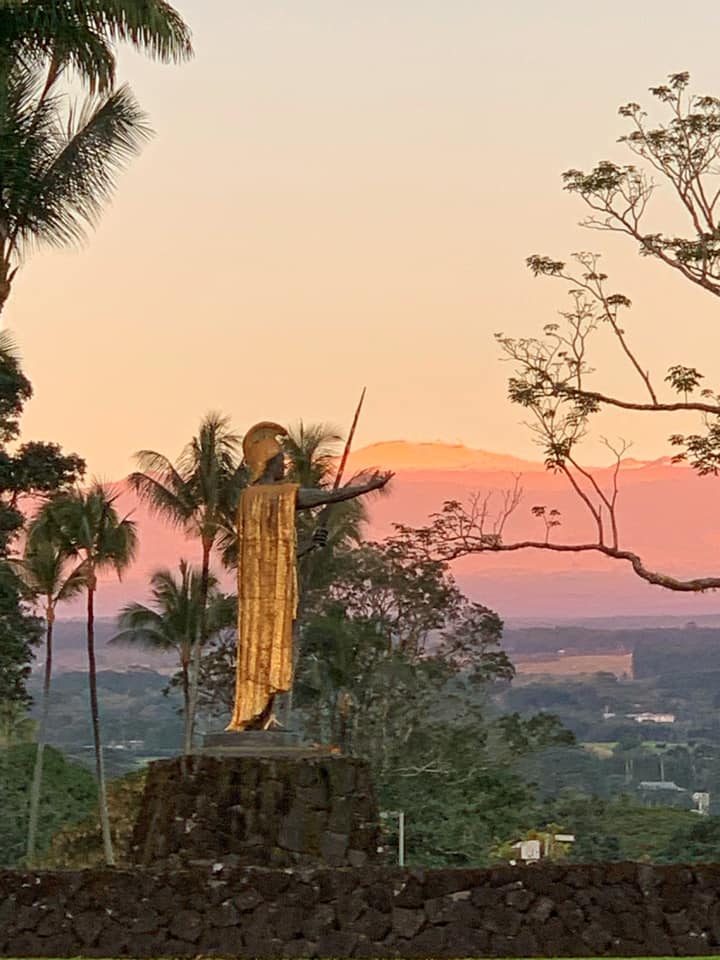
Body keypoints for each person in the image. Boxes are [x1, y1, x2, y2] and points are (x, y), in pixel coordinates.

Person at [227, 421, 391, 731]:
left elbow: (272, 554)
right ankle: (255, 713)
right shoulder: (270, 496)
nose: (285, 466)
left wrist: (304, 546)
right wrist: (367, 488)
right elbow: (319, 496)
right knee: (266, 641)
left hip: (268, 590)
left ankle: (264, 714)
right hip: (261, 595)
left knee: (273, 641)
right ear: (268, 463)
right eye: (280, 461)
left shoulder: (252, 499)